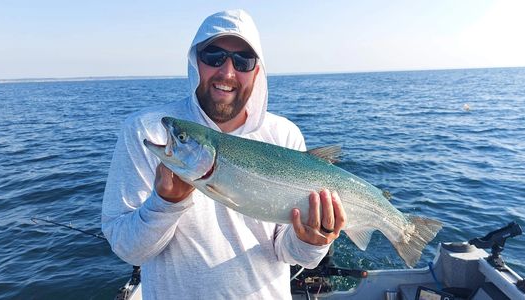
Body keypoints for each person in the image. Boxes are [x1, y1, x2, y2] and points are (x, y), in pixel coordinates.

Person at [102, 9, 346, 299]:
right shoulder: (148, 130)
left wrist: (312, 241)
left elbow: (291, 253)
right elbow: (127, 249)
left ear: (257, 71)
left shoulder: (283, 134)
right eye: (213, 56)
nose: (227, 72)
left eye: (243, 61)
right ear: (196, 61)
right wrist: (166, 203)